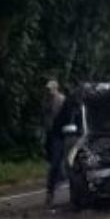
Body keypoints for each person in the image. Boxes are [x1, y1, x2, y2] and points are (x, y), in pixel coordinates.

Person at [42, 80, 66, 208]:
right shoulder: (46, 101)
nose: (49, 92)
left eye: (51, 89)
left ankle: (51, 191)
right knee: (53, 161)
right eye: (47, 90)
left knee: (57, 161)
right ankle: (56, 183)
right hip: (51, 134)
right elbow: (46, 118)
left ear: (56, 89)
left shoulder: (62, 100)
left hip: (61, 133)